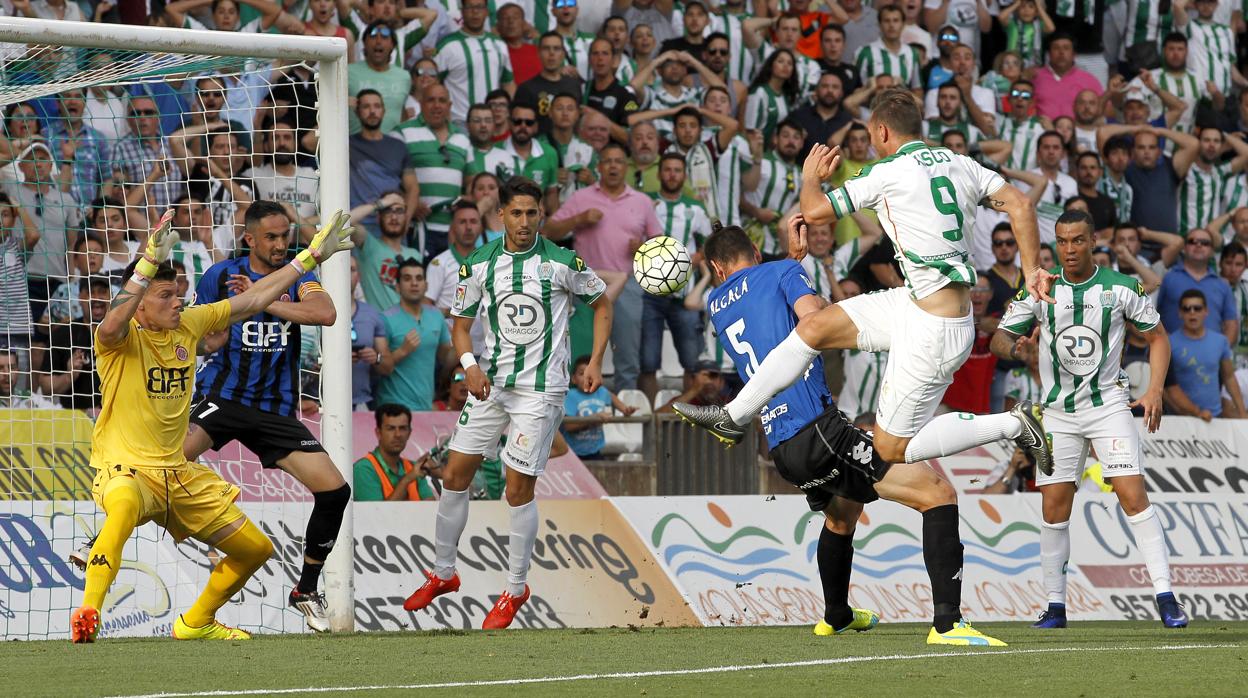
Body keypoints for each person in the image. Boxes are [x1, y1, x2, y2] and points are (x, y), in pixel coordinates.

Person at [675, 88, 1054, 483]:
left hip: (934, 329)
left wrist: (810, 179)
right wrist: (1031, 271)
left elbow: (815, 211)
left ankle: (1013, 425)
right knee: (813, 328)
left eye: (872, 136)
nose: (871, 144)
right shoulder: (961, 163)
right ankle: (733, 417)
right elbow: (1022, 205)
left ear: (883, 132)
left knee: (890, 448)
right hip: (919, 303)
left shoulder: (886, 173)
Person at [692, 219, 1003, 645]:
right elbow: (813, 319)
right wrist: (800, 272)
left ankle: (836, 614)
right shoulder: (781, 271)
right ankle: (948, 624)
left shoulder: (716, 301)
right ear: (756, 253)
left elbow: (761, 308)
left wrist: (790, 264)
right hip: (818, 429)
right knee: (937, 493)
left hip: (781, 443)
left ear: (717, 267)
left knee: (843, 513)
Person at [69, 208, 352, 643]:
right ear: (141, 304)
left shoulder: (189, 325)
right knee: (123, 505)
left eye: (179, 293)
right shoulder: (119, 343)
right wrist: (145, 266)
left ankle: (196, 622)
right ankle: (89, 611)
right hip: (128, 469)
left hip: (182, 475)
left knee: (255, 550)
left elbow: (255, 301)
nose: (179, 301)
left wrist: (312, 256)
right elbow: (111, 322)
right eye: (166, 296)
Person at [403, 177, 612, 629]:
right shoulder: (479, 264)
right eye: (515, 213)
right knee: (454, 474)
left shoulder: (561, 262)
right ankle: (442, 574)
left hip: (540, 390)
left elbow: (602, 303)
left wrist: (595, 360)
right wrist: (469, 365)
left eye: (531, 214)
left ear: (541, 215)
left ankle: (515, 589)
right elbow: (459, 324)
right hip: (489, 384)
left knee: (516, 488)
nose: (523, 222)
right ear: (501, 215)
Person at [991, 209, 1186, 629]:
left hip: (1108, 407)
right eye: (1062, 241)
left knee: (1133, 495)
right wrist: (1017, 348)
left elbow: (1157, 338)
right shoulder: (1041, 288)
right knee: (1053, 507)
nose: (1069, 249)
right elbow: (998, 338)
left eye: (1077, 240)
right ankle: (1056, 606)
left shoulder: (1120, 288)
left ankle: (1167, 597)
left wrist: (1153, 389)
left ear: (1094, 240)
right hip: (1058, 413)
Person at [184, 201, 351, 634]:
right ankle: (100, 540)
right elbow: (201, 334)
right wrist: (214, 338)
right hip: (223, 396)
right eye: (272, 238)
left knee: (334, 491)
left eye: (285, 236)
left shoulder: (301, 278)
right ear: (250, 239)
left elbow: (326, 314)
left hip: (273, 408)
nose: (280, 245)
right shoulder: (219, 275)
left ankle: (306, 589)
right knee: (166, 460)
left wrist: (265, 303)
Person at [545, 142, 663, 391]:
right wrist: (579, 219)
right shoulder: (582, 197)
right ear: (598, 167)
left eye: (619, 161)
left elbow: (659, 248)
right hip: (584, 285)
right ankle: (575, 414)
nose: (613, 166)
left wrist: (642, 247)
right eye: (607, 161)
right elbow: (548, 231)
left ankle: (624, 418)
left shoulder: (641, 201)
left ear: (626, 167)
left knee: (628, 356)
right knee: (580, 354)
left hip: (628, 284)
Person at [640, 153, 711, 399]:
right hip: (648, 293)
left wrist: (696, 257)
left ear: (685, 176)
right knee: (647, 361)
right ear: (659, 174)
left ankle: (687, 416)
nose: (672, 174)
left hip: (684, 295)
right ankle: (649, 421)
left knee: (692, 361)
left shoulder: (696, 208)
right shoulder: (644, 202)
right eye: (667, 169)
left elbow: (708, 246)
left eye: (677, 170)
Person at [396, 84, 470, 260]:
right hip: (418, 228)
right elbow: (388, 179)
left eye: (442, 100)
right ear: (421, 103)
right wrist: (409, 205)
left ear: (450, 106)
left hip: (453, 231)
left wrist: (463, 202)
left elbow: (471, 185)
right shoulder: (403, 132)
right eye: (431, 100)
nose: (437, 105)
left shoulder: (463, 138)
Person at [376, 257, 453, 411]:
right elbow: (380, 368)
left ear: (426, 286)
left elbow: (446, 360)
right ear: (397, 287)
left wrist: (461, 337)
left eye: (419, 278)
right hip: (393, 408)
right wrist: (402, 351)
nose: (414, 283)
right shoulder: (385, 318)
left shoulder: (436, 316)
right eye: (407, 278)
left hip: (426, 406)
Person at [1165, 288, 1247, 419]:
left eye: (1197, 308)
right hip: (1180, 419)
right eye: (1187, 309)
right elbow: (1166, 387)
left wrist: (1242, 413)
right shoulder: (1169, 344)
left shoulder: (1220, 341)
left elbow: (1229, 377)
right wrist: (1186, 411)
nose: (1192, 313)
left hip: (1215, 417)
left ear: (1206, 311)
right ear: (1180, 313)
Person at [349, 89, 420, 235]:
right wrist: (339, 105)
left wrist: (405, 221)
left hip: (391, 226)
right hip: (358, 226)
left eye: (377, 106)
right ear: (357, 111)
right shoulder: (347, 144)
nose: (372, 111)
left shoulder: (398, 146)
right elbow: (309, 142)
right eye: (366, 107)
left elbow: (413, 188)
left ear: (384, 110)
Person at [434, 0, 515, 127]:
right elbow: (433, 84)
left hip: (494, 124)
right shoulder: (447, 46)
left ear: (487, 12)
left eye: (479, 7)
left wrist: (507, 114)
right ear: (462, 11)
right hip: (460, 123)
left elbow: (508, 83)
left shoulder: (499, 45)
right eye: (470, 7)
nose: (475, 12)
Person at [1156, 227, 1238, 343]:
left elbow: (1231, 324)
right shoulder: (1167, 278)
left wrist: (1221, 353)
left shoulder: (1222, 285)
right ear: (1184, 248)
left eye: (1205, 243)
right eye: (1192, 242)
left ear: (1212, 251)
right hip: (1171, 355)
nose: (1198, 245)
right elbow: (1152, 315)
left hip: (1211, 357)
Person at [353, 403, 438, 501]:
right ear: (378, 432)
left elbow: (430, 510)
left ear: (409, 433)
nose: (398, 434)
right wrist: (406, 480)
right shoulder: (363, 469)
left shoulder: (413, 467)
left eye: (402, 428)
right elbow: (377, 515)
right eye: (391, 428)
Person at [561, 355, 637, 460]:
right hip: (573, 453)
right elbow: (569, 426)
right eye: (582, 374)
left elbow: (611, 396)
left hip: (595, 449)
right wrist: (593, 418)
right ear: (573, 379)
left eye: (591, 374)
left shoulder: (601, 392)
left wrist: (625, 409)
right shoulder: (570, 396)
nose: (587, 378)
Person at [347, 22, 411, 135]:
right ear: (364, 43)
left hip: (392, 146)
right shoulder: (347, 72)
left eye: (385, 37)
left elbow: (401, 113)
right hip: (355, 147)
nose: (378, 41)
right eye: (373, 36)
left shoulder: (404, 77)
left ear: (392, 44)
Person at [514, 32, 584, 135]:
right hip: (540, 148)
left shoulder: (574, 85)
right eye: (546, 48)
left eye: (556, 49)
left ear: (563, 54)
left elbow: (579, 122)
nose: (551, 53)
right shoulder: (526, 89)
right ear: (538, 53)